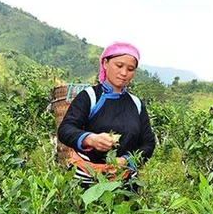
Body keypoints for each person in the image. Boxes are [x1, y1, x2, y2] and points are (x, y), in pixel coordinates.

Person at [58, 41, 156, 187]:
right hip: (86, 179)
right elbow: (66, 129)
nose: (124, 73)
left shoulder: (136, 104)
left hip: (126, 180)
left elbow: (148, 143)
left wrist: (127, 160)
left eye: (130, 69)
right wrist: (90, 139)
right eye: (119, 66)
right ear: (105, 63)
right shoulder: (90, 97)